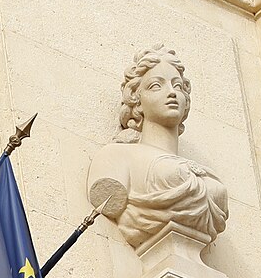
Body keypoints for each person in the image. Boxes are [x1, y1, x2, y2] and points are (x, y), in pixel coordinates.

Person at [87, 46, 229, 250]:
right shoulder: (115, 157)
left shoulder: (202, 174)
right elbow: (105, 195)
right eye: (156, 86)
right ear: (137, 99)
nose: (172, 93)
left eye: (178, 86)